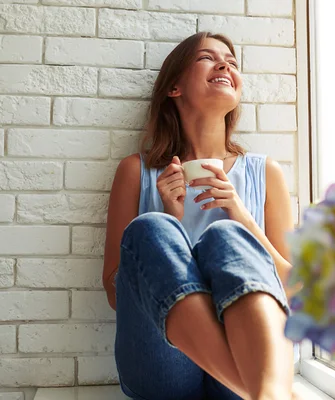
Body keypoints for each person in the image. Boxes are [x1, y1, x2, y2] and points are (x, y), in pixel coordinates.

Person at [102, 31, 299, 400]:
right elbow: (116, 294)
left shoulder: (265, 173)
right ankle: (267, 394)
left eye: (232, 62)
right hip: (164, 364)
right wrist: (170, 220)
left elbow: (295, 290)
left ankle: (263, 389)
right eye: (207, 58)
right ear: (174, 87)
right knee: (151, 228)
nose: (225, 64)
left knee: (227, 236)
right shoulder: (137, 172)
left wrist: (241, 216)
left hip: (250, 354)